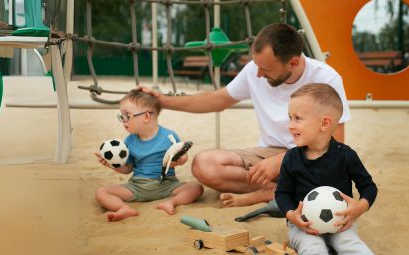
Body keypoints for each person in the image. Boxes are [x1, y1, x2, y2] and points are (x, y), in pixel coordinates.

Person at [139, 23, 351, 207]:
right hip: (269, 152)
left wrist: (282, 161)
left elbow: (335, 144)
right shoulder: (254, 70)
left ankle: (275, 191)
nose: (258, 73)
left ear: (293, 63)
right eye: (256, 65)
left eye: (266, 68)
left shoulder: (326, 79)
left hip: (310, 156)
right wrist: (164, 101)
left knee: (328, 176)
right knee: (204, 164)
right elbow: (217, 100)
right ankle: (275, 191)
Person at [275, 83, 377, 254]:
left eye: (297, 118)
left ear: (324, 123)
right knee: (313, 248)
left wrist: (361, 206)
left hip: (340, 223)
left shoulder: (346, 156)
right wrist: (292, 215)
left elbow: (368, 186)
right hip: (304, 226)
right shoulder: (291, 158)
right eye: (290, 118)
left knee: (350, 245)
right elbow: (282, 193)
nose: (290, 125)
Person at [94, 90, 204, 221]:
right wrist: (112, 165)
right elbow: (127, 169)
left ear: (146, 117)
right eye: (121, 116)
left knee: (196, 188)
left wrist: (179, 160)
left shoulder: (169, 136)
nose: (123, 121)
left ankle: (172, 202)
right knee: (102, 192)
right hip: (138, 186)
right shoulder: (129, 141)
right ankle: (123, 208)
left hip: (167, 185)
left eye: (127, 116)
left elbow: (182, 156)